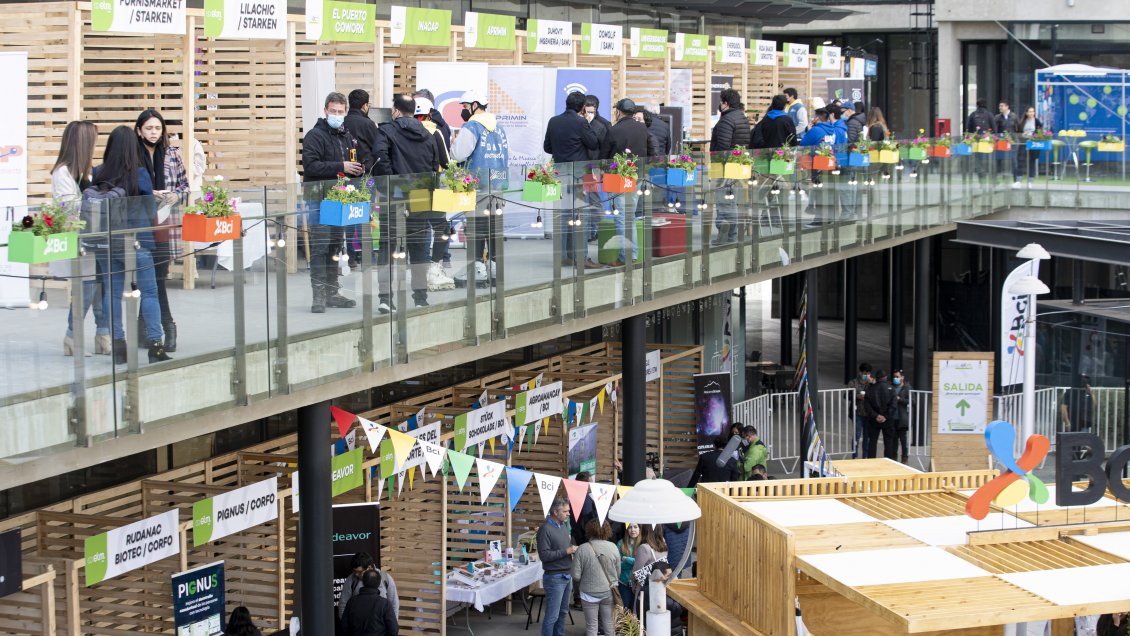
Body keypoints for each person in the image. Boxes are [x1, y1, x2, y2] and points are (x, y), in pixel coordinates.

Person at [91, 126, 169, 364]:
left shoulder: (99, 172)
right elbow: (149, 208)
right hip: (138, 240)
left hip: (106, 240)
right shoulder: (140, 173)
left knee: (112, 292)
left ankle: (118, 347)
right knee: (149, 292)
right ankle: (155, 346)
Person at [374, 94, 444, 309]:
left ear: (395, 110)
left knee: (387, 246)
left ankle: (386, 299)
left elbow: (379, 159)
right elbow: (434, 167)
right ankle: (420, 298)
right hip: (421, 196)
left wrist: (390, 185)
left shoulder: (386, 131)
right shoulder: (427, 134)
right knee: (419, 246)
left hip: (393, 197)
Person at [301, 91, 364, 313]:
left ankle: (332, 291)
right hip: (319, 199)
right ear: (325, 111)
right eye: (333, 111)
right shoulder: (314, 136)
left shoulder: (348, 137)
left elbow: (353, 162)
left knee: (335, 246)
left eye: (340, 111)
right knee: (320, 247)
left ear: (346, 112)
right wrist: (341, 166)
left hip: (340, 201)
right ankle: (318, 295)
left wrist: (357, 169)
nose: (337, 115)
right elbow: (310, 166)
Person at [52, 120, 110, 357]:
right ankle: (72, 336)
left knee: (100, 287)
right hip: (78, 241)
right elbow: (70, 208)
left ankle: (102, 335)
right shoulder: (62, 173)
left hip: (94, 238)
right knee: (86, 289)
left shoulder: (86, 171)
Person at [135, 109, 187, 353]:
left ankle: (158, 326)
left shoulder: (171, 154)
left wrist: (176, 194)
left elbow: (186, 186)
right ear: (139, 130)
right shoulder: (134, 155)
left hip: (165, 222)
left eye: (157, 128)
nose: (153, 133)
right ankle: (164, 325)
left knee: (157, 278)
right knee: (150, 280)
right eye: (149, 128)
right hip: (140, 223)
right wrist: (149, 194)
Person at [450, 88, 509, 267]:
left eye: (466, 106)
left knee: (476, 230)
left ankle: (477, 268)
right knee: (493, 230)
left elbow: (458, 154)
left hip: (477, 188)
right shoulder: (499, 127)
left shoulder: (472, 126)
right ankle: (493, 267)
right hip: (497, 186)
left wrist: (453, 144)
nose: (464, 110)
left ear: (475, 106)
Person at [544, 91, 600, 268]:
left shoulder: (554, 121)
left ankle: (562, 257)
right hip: (578, 175)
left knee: (563, 216)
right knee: (580, 216)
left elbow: (547, 147)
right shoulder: (581, 122)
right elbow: (593, 143)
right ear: (583, 107)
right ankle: (581, 258)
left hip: (560, 173)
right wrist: (587, 124)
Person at [604, 98, 654, 264]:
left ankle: (626, 257)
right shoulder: (642, 128)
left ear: (618, 111)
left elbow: (604, 155)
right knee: (630, 216)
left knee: (621, 217)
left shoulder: (614, 129)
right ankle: (631, 255)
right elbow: (652, 150)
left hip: (616, 177)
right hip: (637, 175)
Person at [412, 96, 454, 279]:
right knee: (441, 227)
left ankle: (417, 270)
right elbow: (446, 162)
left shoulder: (404, 131)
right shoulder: (435, 132)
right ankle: (435, 268)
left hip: (411, 188)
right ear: (430, 114)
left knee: (417, 229)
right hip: (433, 187)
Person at [710, 88, 751, 245]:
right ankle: (729, 234)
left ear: (725, 103)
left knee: (725, 202)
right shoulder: (741, 117)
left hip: (724, 166)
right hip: (737, 165)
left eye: (721, 102)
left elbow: (723, 146)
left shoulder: (726, 120)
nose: (719, 105)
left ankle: (728, 235)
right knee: (730, 200)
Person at [571, 519, 620, 636]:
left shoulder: (582, 548)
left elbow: (576, 576)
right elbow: (617, 573)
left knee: (592, 627)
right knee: (609, 625)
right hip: (608, 591)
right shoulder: (613, 547)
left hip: (588, 593)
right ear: (608, 530)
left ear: (589, 530)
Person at [537, 498, 577, 636]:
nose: (568, 514)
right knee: (552, 616)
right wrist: (566, 551)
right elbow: (544, 556)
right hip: (554, 577)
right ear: (555, 512)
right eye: (565, 511)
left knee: (563, 613)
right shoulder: (545, 529)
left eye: (568, 511)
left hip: (567, 574)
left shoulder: (563, 526)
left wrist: (572, 550)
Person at [338, 551, 399, 622]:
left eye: (359, 572)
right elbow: (343, 604)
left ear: (369, 568)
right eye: (354, 571)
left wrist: (393, 625)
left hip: (381, 629)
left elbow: (394, 603)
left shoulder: (385, 578)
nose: (356, 574)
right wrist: (346, 626)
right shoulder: (351, 580)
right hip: (358, 628)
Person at [341, 569, 399, 636]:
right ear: (379, 583)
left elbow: (344, 628)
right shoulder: (385, 604)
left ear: (363, 582)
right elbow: (393, 630)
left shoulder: (352, 602)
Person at [629, 524, 669, 609]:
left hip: (647, 587)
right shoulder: (663, 542)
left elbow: (636, 571)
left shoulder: (644, 548)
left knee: (642, 614)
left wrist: (631, 581)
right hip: (661, 584)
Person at [346, 89, 381, 174]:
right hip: (365, 171)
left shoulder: (342, 121)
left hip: (345, 171)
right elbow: (378, 147)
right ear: (365, 105)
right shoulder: (368, 123)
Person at [865, 369, 897, 460]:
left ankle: (871, 461)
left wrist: (876, 415)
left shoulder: (870, 389)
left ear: (876, 378)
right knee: (888, 442)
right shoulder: (891, 389)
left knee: (872, 442)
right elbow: (893, 405)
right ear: (886, 377)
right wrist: (886, 416)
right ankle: (888, 461)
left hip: (874, 420)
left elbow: (867, 406)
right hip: (888, 420)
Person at [847, 363, 874, 458]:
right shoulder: (853, 382)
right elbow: (846, 395)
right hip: (857, 413)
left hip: (869, 413)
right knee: (857, 435)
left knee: (867, 436)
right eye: (864, 373)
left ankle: (865, 456)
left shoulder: (872, 383)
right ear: (860, 372)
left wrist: (873, 384)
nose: (866, 375)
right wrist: (856, 396)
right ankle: (855, 455)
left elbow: (877, 394)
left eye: (868, 373)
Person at [1013, 105, 1043, 188]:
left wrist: (1034, 135)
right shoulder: (1022, 122)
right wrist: (1023, 135)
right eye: (1030, 111)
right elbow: (1018, 132)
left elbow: (1040, 132)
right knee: (1021, 161)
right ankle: (1018, 180)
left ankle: (1030, 181)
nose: (1031, 113)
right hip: (1023, 143)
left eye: (1033, 111)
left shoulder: (1036, 121)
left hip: (1033, 144)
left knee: (1031, 161)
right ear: (1026, 113)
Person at [570, 471, 598, 546]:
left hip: (578, 537)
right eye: (591, 482)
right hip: (583, 539)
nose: (593, 484)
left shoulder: (576, 496)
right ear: (583, 484)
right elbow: (587, 520)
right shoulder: (585, 499)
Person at [891, 369, 912, 463]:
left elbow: (913, 402)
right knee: (894, 439)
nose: (895, 378)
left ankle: (904, 457)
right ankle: (893, 457)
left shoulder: (907, 388)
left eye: (897, 377)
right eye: (894, 376)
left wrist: (900, 399)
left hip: (902, 418)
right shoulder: (891, 387)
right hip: (893, 417)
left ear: (902, 377)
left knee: (903, 439)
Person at [617, 523, 639, 607]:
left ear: (639, 529)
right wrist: (635, 562)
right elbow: (618, 565)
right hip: (624, 582)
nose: (632, 530)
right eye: (630, 527)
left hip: (638, 583)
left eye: (635, 527)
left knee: (636, 610)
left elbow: (643, 564)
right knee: (625, 609)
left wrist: (626, 559)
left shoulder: (643, 544)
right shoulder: (621, 543)